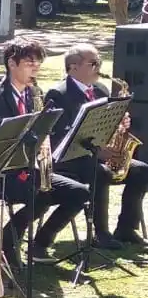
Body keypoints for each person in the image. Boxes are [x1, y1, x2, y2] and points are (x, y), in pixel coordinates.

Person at [0, 39, 89, 268]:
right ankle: (8, 241)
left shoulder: (35, 93)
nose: (35, 66)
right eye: (29, 61)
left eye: (38, 62)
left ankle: (40, 243)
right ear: (11, 63)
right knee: (41, 193)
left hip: (29, 168)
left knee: (79, 192)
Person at [44, 43, 148, 247]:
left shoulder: (100, 89)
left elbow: (104, 122)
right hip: (70, 160)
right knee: (101, 173)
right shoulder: (58, 93)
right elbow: (58, 136)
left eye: (99, 61)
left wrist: (120, 123)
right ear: (73, 67)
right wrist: (98, 152)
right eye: (93, 63)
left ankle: (126, 228)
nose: (99, 66)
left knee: (142, 170)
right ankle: (101, 234)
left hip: (97, 153)